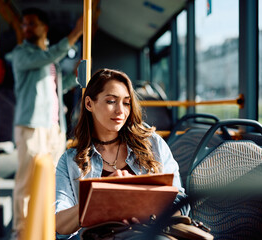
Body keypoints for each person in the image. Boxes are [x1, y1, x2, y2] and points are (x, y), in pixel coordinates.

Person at [55, 68, 188, 239]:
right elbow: (60, 225)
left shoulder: (152, 144)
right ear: (89, 104)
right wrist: (99, 196)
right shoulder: (70, 161)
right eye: (111, 101)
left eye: (126, 103)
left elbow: (181, 203)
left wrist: (144, 203)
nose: (120, 111)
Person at [10, 7, 83, 237]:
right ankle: (21, 232)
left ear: (44, 27)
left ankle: (46, 228)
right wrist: (75, 34)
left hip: (53, 128)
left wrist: (80, 70)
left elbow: (60, 86)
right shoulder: (22, 54)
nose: (26, 29)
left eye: (31, 24)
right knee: (27, 183)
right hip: (32, 126)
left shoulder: (51, 60)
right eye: (24, 25)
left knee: (52, 181)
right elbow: (47, 57)